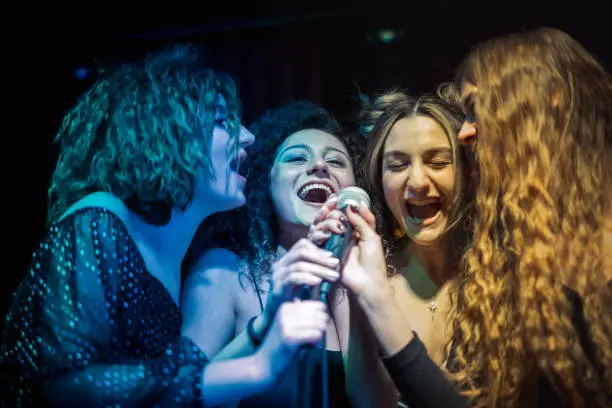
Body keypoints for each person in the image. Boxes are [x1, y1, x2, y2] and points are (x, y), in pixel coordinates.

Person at [0, 44, 330, 407]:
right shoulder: (98, 220)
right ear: (169, 133)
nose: (247, 136)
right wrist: (257, 367)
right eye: (222, 121)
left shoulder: (172, 256)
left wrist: (262, 325)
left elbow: (171, 384)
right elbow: (71, 387)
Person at [311, 27, 612, 407]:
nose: (467, 133)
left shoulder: (513, 271)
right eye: (397, 164)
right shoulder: (527, 261)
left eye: (439, 161)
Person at [181, 101, 364, 407]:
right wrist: (264, 325)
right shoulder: (227, 273)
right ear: (266, 182)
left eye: (335, 161)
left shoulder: (365, 284)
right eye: (296, 158)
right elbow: (180, 392)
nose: (319, 167)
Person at [313, 89, 474, 408]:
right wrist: (362, 296)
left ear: (468, 171)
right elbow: (368, 402)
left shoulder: (501, 277)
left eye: (438, 162)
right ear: (379, 180)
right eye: (397, 165)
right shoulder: (377, 281)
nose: (417, 182)